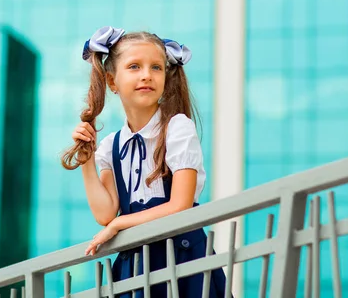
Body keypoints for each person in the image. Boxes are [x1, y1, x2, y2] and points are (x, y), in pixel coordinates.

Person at [61, 26, 229, 297]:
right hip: (136, 266)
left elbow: (180, 205)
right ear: (112, 81)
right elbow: (105, 213)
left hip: (183, 257)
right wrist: (87, 160)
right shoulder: (111, 146)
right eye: (135, 67)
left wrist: (119, 224)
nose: (146, 76)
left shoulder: (177, 127)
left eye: (156, 68)